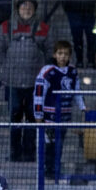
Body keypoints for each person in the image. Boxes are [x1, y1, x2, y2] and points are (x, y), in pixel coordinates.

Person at [0, 0, 53, 162]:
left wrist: (43, 72)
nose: (26, 9)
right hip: (12, 83)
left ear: (35, 9)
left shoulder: (43, 28)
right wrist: (8, 66)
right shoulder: (5, 27)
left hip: (35, 84)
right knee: (14, 117)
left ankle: (29, 152)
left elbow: (50, 51)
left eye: (30, 6)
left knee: (33, 118)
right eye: (23, 6)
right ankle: (14, 153)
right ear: (17, 9)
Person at [33, 40, 84, 178]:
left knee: (59, 144)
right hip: (49, 118)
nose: (63, 57)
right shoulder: (47, 71)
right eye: (60, 53)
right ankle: (48, 170)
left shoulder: (73, 72)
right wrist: (38, 114)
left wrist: (83, 108)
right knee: (50, 144)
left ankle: (55, 169)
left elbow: (77, 92)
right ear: (54, 54)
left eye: (66, 54)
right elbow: (39, 93)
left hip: (64, 117)